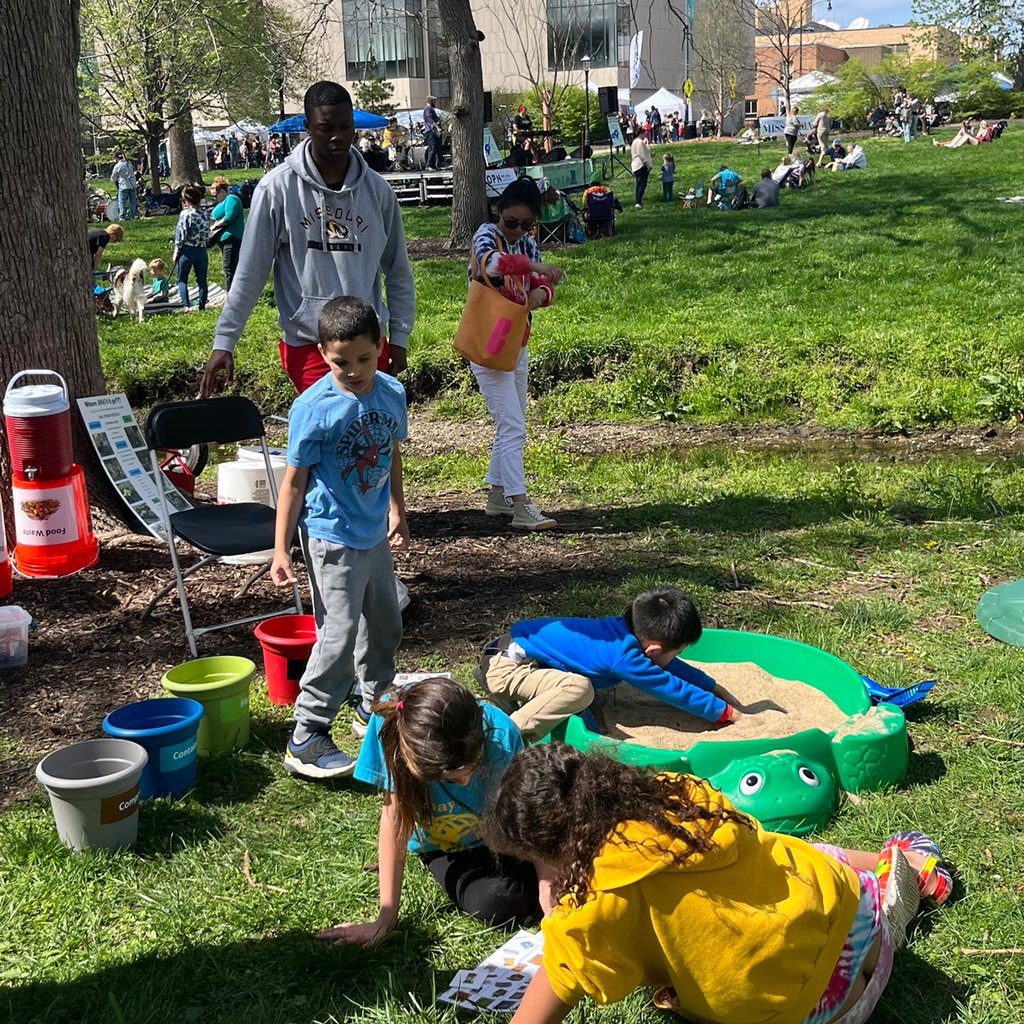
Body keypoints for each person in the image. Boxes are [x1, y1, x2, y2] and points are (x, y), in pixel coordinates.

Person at [485, 743, 953, 1024]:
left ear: (549, 851)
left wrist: (561, 920)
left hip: (821, 1011)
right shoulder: (678, 795)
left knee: (690, 990)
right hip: (859, 926)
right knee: (789, 851)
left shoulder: (588, 913)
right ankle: (905, 863)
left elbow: (542, 1005)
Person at [199, 81, 415, 398]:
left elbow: (398, 269)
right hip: (310, 343)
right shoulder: (277, 189)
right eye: (326, 128)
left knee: (374, 438)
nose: (338, 137)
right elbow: (250, 271)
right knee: (327, 434)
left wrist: (400, 335)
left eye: (345, 127)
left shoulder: (377, 192)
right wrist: (225, 340)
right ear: (307, 127)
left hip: (368, 345)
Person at [270, 296, 409, 778]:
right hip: (331, 536)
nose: (354, 370)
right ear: (323, 355)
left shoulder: (391, 392)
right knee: (339, 632)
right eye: (340, 362)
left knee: (386, 625)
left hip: (373, 532)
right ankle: (306, 733)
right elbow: (292, 481)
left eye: (364, 359)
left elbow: (390, 452)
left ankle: (376, 710)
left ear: (381, 348)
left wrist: (397, 508)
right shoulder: (313, 407)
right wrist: (280, 548)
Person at [318, 677, 541, 947]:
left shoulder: (502, 736)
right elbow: (394, 819)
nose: (466, 783)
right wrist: (385, 918)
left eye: (472, 768)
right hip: (446, 848)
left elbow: (526, 817)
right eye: (449, 778)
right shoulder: (391, 726)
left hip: (503, 836)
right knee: (500, 903)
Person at [474, 586, 741, 743]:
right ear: (654, 649)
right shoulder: (624, 657)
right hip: (509, 667)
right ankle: (503, 740)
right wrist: (723, 712)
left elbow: (671, 668)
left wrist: (712, 687)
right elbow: (669, 686)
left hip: (512, 650)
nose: (674, 658)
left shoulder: (624, 632)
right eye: (676, 651)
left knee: (584, 696)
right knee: (579, 690)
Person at [468, 177, 564, 532]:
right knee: (512, 424)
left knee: (514, 418)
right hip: (487, 342)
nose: (518, 230)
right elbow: (491, 264)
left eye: (527, 225)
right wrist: (536, 269)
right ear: (499, 214)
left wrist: (540, 292)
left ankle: (497, 495)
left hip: (516, 341)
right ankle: (520, 504)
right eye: (512, 222)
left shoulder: (527, 244)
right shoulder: (486, 234)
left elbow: (546, 289)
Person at [172, 184, 209, 312]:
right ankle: (202, 306)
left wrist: (176, 251)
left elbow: (180, 235)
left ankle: (186, 305)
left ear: (186, 200)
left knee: (182, 279)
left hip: (187, 250)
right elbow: (207, 232)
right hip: (202, 250)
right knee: (202, 281)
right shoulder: (204, 214)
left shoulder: (185, 214)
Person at [208, 175, 245, 292]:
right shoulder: (222, 202)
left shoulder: (232, 199)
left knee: (228, 267)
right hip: (222, 239)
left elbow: (229, 216)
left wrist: (215, 225)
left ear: (223, 191)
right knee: (229, 267)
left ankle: (231, 293)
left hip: (232, 238)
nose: (216, 196)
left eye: (217, 193)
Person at [110, 152, 138, 221]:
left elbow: (113, 177)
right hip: (132, 185)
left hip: (123, 185)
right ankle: (133, 215)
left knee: (122, 201)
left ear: (116, 158)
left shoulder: (118, 166)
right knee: (133, 201)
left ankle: (122, 217)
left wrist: (114, 181)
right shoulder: (129, 163)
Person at [630, 129, 653, 209]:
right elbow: (641, 154)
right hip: (641, 165)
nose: (645, 135)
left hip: (635, 166)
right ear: (641, 133)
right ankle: (638, 202)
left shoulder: (634, 141)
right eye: (644, 134)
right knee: (642, 184)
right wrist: (647, 164)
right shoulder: (639, 142)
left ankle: (638, 200)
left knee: (639, 184)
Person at [423, 95, 443, 170]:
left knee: (436, 148)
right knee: (433, 148)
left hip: (433, 131)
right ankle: (428, 165)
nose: (435, 102)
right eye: (434, 101)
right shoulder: (428, 109)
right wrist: (437, 127)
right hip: (430, 131)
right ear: (430, 101)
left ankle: (434, 165)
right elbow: (430, 119)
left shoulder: (431, 109)